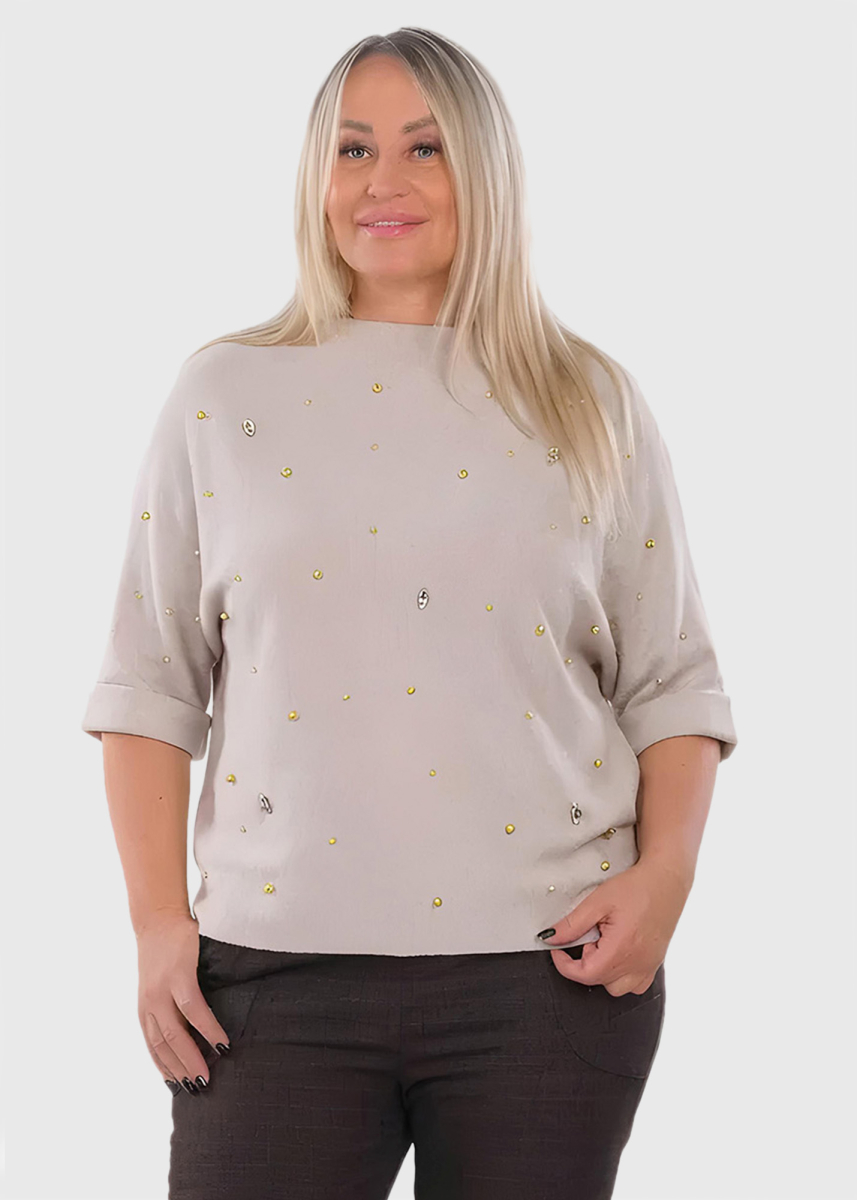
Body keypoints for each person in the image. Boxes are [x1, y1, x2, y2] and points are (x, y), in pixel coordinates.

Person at [81, 27, 738, 1200]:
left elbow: (669, 679)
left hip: (545, 977)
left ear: (482, 170)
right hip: (272, 978)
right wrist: (155, 924)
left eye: (423, 148)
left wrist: (667, 875)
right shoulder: (223, 394)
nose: (381, 181)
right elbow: (149, 684)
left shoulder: (586, 401)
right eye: (352, 149)